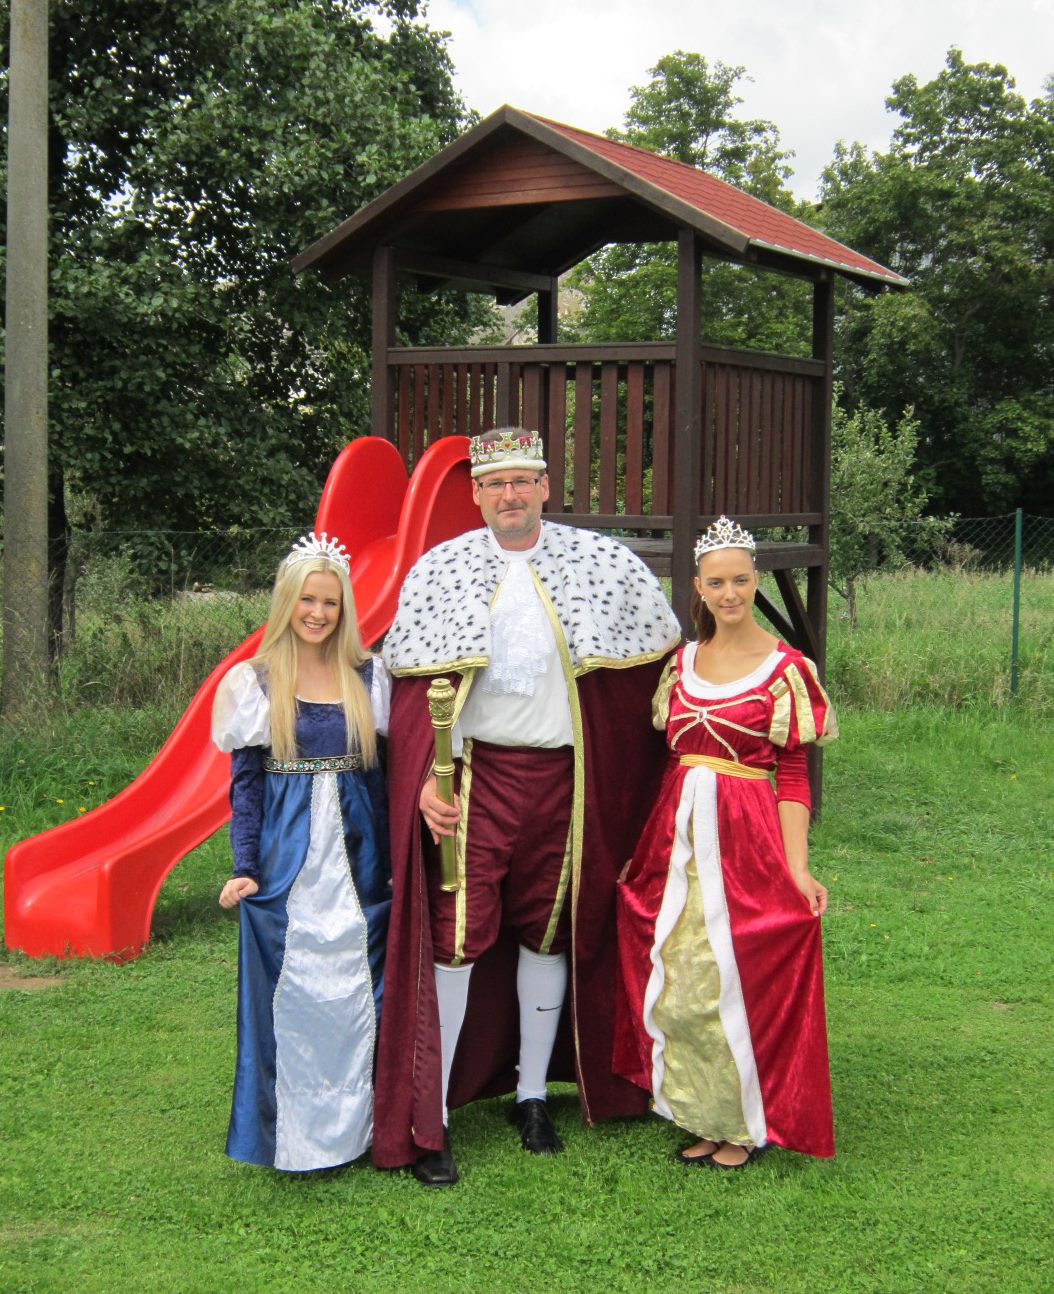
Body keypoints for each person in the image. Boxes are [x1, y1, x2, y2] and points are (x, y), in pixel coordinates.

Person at [375, 428, 681, 1186]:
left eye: (522, 481)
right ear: (476, 495)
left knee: (549, 933)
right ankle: (433, 1115)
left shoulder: (602, 564)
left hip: (566, 782)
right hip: (473, 780)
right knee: (455, 936)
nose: (508, 495)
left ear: (545, 486)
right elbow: (410, 704)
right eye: (494, 484)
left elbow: (647, 684)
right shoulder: (441, 569)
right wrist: (426, 782)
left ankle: (534, 1095)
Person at [614, 516, 838, 1168]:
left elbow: (792, 776)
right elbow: (664, 765)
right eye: (717, 583)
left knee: (740, 977)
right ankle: (700, 1111)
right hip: (677, 837)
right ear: (700, 588)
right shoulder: (681, 664)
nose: (730, 593)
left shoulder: (785, 669)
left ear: (756, 580)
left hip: (746, 839)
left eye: (740, 580)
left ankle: (742, 1124)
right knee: (683, 976)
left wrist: (797, 868)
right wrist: (645, 848)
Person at [211, 531, 391, 1172]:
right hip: (289, 852)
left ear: (345, 609)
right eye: (307, 600)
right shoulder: (255, 683)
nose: (318, 613)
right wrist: (245, 867)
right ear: (287, 602)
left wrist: (396, 863)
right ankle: (295, 1136)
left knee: (357, 986)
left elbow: (384, 779)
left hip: (359, 853)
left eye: (330, 602)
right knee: (296, 991)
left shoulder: (370, 676)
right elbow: (246, 786)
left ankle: (364, 1129)